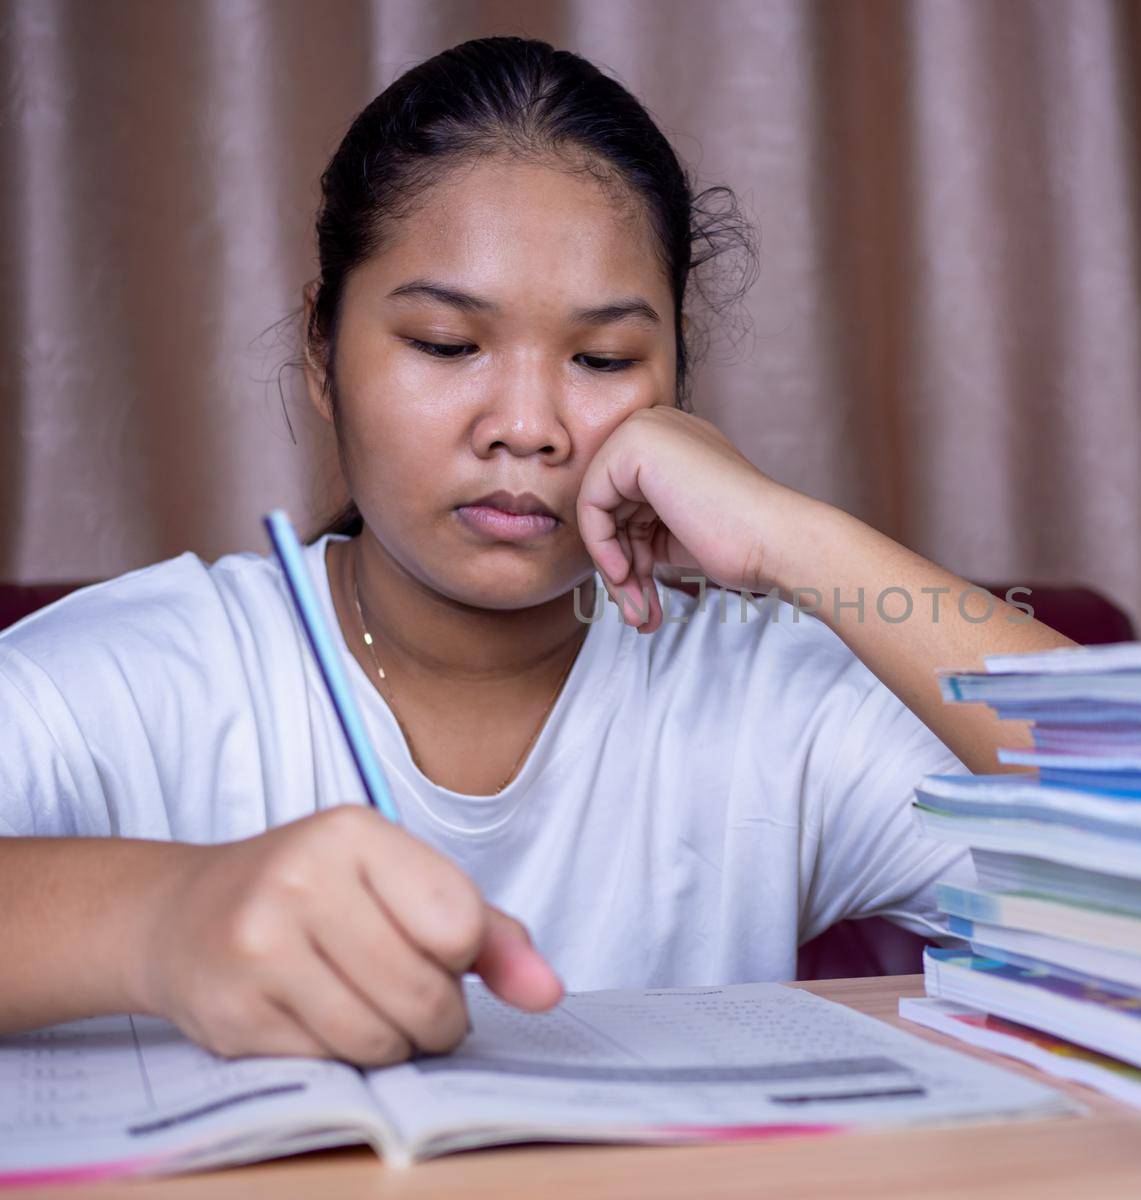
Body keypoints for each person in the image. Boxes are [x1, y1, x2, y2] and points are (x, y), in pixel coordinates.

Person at [0, 37, 1073, 1067]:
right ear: (322, 354)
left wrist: (799, 536)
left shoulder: (766, 702)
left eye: (602, 359)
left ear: (677, 393)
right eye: (446, 345)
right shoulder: (140, 678)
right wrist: (162, 919)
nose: (527, 424)